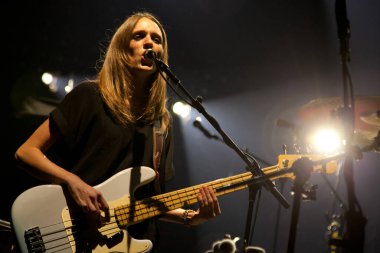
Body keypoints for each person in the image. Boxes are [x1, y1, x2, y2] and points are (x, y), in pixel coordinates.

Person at [14, 11, 221, 252]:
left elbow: (144, 204)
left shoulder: (161, 122)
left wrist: (190, 217)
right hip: (78, 236)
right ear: (123, 49)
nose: (149, 43)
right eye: (139, 36)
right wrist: (73, 181)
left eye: (157, 39)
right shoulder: (89, 96)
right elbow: (26, 152)